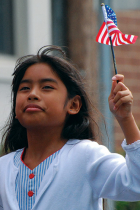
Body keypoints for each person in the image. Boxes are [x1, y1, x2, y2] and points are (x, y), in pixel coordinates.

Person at [0, 45, 140, 210]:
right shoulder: (3, 167)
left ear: (73, 105)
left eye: (47, 87)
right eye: (24, 88)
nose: (32, 94)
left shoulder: (86, 156)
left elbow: (135, 184)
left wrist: (125, 119)